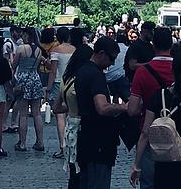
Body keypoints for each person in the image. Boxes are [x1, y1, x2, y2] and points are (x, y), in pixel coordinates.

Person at [130, 47, 181, 189]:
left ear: (172, 70)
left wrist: (137, 165)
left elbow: (145, 133)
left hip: (164, 163)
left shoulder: (158, 97)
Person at [128, 27, 179, 189]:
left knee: (149, 183)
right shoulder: (180, 70)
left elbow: (132, 110)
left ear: (153, 46)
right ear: (171, 45)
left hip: (150, 132)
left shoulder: (143, 72)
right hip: (178, 133)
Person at [75, 37, 126, 189]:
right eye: (112, 59)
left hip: (85, 136)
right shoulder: (96, 75)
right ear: (102, 53)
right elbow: (102, 108)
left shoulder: (82, 70)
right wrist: (124, 107)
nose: (112, 64)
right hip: (99, 140)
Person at [53, 45, 95, 189]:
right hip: (83, 127)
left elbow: (56, 107)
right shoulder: (85, 79)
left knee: (73, 171)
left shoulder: (66, 78)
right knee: (84, 171)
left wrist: (70, 107)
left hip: (70, 127)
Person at [12, 26, 45, 152]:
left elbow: (14, 65)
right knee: (36, 113)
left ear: (27, 35)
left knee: (24, 113)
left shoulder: (21, 48)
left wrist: (13, 81)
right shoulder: (39, 50)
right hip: (35, 79)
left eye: (23, 34)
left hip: (23, 80)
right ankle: (40, 142)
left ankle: (22, 143)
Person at [49, 26, 77, 158]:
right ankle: (72, 143)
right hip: (72, 84)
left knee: (59, 116)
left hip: (58, 83)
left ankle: (62, 146)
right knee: (71, 114)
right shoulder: (75, 50)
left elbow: (53, 71)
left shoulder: (55, 51)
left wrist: (48, 87)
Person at [105, 30, 131, 102]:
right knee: (127, 99)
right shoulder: (127, 49)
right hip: (122, 77)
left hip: (109, 77)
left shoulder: (112, 48)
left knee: (115, 96)